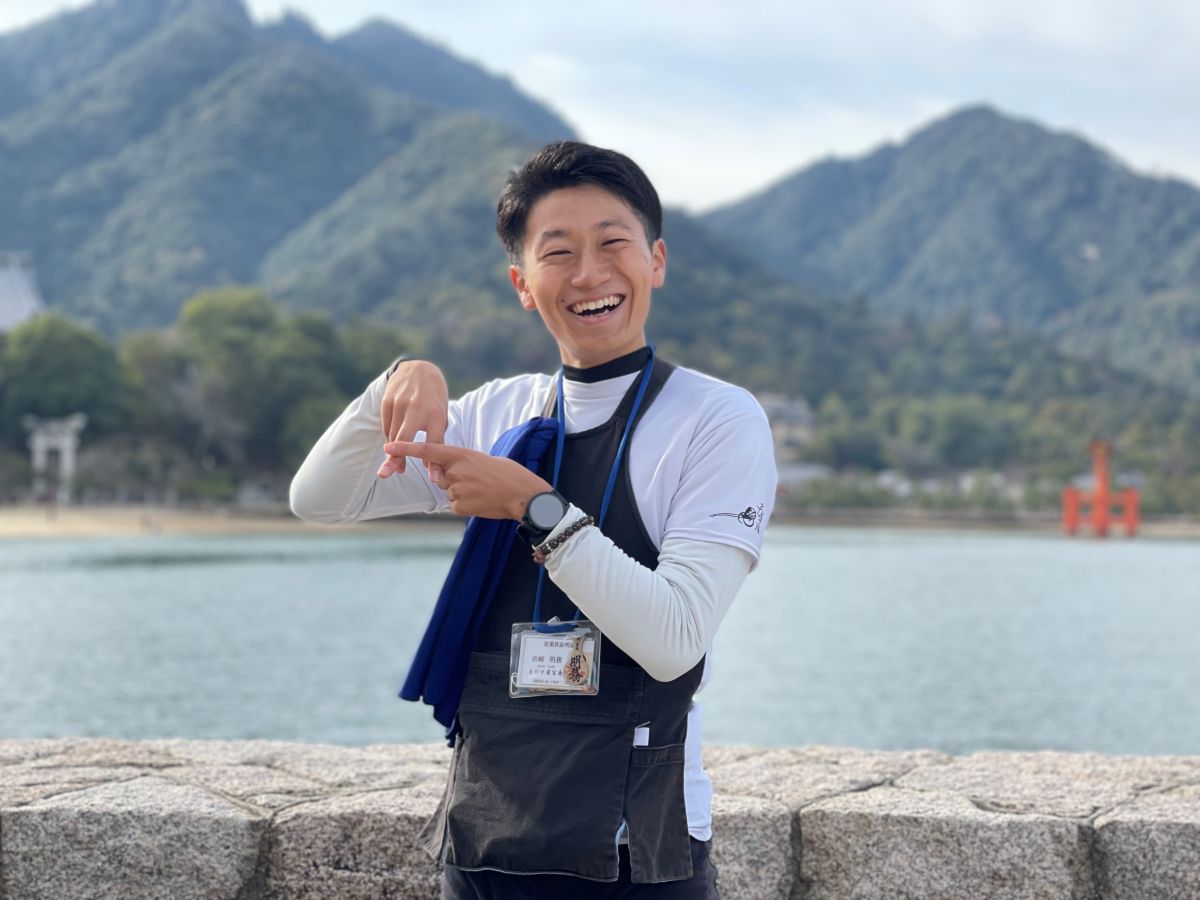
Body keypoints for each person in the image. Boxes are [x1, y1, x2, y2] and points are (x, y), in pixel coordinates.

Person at [290, 141, 777, 899]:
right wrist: (393, 382)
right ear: (522, 283)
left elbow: (674, 638)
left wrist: (533, 506)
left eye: (612, 243)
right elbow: (320, 498)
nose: (589, 273)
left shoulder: (716, 419)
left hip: (635, 853)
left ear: (656, 260)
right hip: (484, 842)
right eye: (558, 253)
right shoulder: (500, 412)